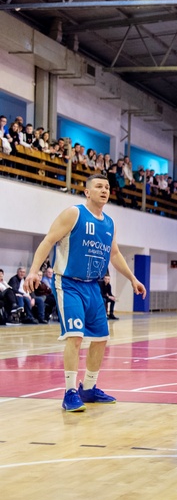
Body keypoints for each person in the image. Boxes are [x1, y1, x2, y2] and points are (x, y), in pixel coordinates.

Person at [24, 174, 146, 411]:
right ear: (87, 192)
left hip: (93, 286)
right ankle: (70, 391)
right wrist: (33, 271)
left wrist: (132, 278)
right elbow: (49, 240)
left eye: (107, 187)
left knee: (101, 339)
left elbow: (115, 254)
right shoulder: (74, 213)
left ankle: (88, 388)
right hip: (69, 283)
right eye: (99, 186)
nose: (104, 190)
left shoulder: (109, 223)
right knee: (75, 336)